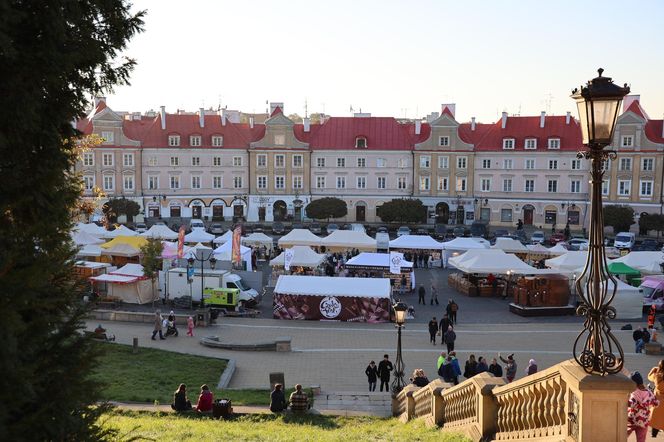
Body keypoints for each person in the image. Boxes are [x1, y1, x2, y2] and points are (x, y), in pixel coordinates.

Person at [628, 371, 659, 442]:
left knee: (622, 436)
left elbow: (631, 404)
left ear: (634, 384)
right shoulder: (649, 393)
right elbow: (656, 403)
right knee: (641, 439)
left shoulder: (634, 393)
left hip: (632, 419)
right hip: (643, 421)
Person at [648, 360, 664, 438]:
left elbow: (649, 377)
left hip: (658, 401)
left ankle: (654, 435)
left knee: (656, 419)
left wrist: (654, 368)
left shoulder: (656, 376)